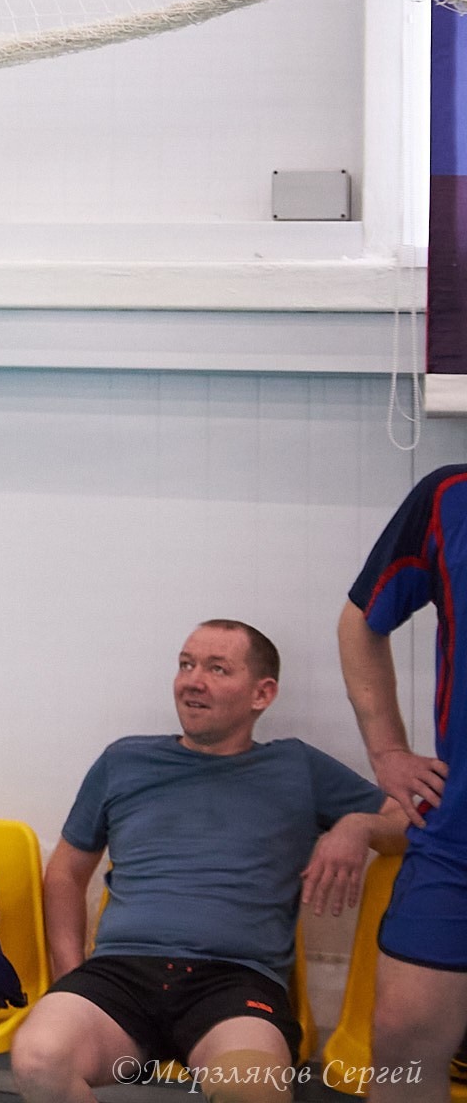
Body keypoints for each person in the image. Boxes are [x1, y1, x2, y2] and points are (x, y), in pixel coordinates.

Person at [9, 620, 402, 1103]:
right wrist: (70, 977)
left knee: (251, 1090)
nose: (193, 680)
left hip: (237, 981)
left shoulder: (297, 767)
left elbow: (408, 822)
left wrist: (358, 826)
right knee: (38, 1059)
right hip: (120, 974)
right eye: (186, 665)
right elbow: (67, 873)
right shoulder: (125, 761)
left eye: (218, 669)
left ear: (263, 693)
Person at [340, 464, 467, 1103]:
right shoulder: (450, 496)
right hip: (458, 840)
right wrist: (387, 750)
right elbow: (362, 622)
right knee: (402, 1037)